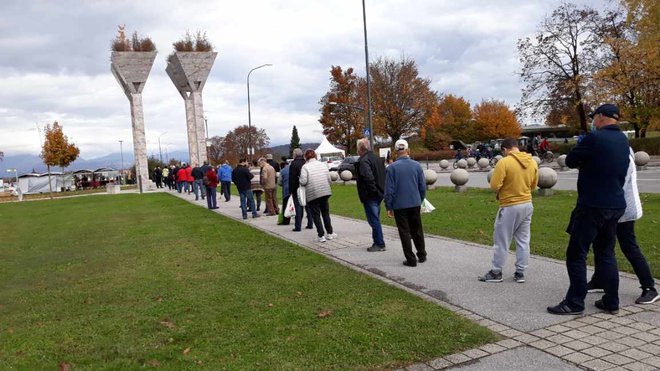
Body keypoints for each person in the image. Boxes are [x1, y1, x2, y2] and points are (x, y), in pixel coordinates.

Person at [547, 104, 630, 315]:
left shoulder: (595, 138)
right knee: (606, 252)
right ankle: (611, 301)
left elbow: (572, 160)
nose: (593, 121)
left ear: (601, 117)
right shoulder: (623, 139)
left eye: (594, 117)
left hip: (593, 205)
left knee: (576, 254)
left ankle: (574, 302)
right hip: (616, 204)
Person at [587, 148, 658, 304]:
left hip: (624, 210)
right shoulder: (616, 152)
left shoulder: (622, 156)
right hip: (613, 208)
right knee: (601, 244)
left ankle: (649, 287)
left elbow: (617, 185)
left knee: (629, 246)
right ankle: (599, 279)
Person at [478, 138, 538, 283]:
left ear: (505, 149)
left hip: (510, 205)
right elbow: (534, 185)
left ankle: (496, 271)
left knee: (501, 240)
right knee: (523, 240)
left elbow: (494, 185)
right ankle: (520, 272)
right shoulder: (532, 161)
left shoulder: (504, 162)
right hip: (527, 203)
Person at [384, 139, 427, 267]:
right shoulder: (416, 165)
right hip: (414, 202)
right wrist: (420, 199)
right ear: (408, 150)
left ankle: (410, 259)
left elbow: (389, 190)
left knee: (404, 232)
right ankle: (422, 254)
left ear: (395, 152)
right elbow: (422, 186)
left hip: (399, 204)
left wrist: (389, 206)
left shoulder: (391, 168)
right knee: (417, 229)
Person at [355, 138, 386, 252]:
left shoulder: (364, 160)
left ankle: (379, 243)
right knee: (375, 218)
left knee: (373, 220)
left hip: (371, 195)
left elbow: (368, 177)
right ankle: (377, 241)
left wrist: (372, 191)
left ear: (360, 148)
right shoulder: (376, 158)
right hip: (379, 192)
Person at [300, 149, 336, 242]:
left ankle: (321, 235)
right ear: (315, 156)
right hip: (325, 191)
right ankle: (330, 233)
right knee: (325, 213)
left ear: (306, 157)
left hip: (313, 193)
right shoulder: (323, 164)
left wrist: (299, 180)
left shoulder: (305, 167)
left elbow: (303, 181)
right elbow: (329, 178)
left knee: (316, 215)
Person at [288, 148, 314, 232]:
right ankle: (310, 223)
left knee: (298, 207)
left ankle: (298, 226)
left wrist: (291, 190)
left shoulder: (293, 164)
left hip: (297, 188)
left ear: (295, 155)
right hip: (307, 187)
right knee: (308, 206)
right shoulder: (306, 162)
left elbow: (291, 178)